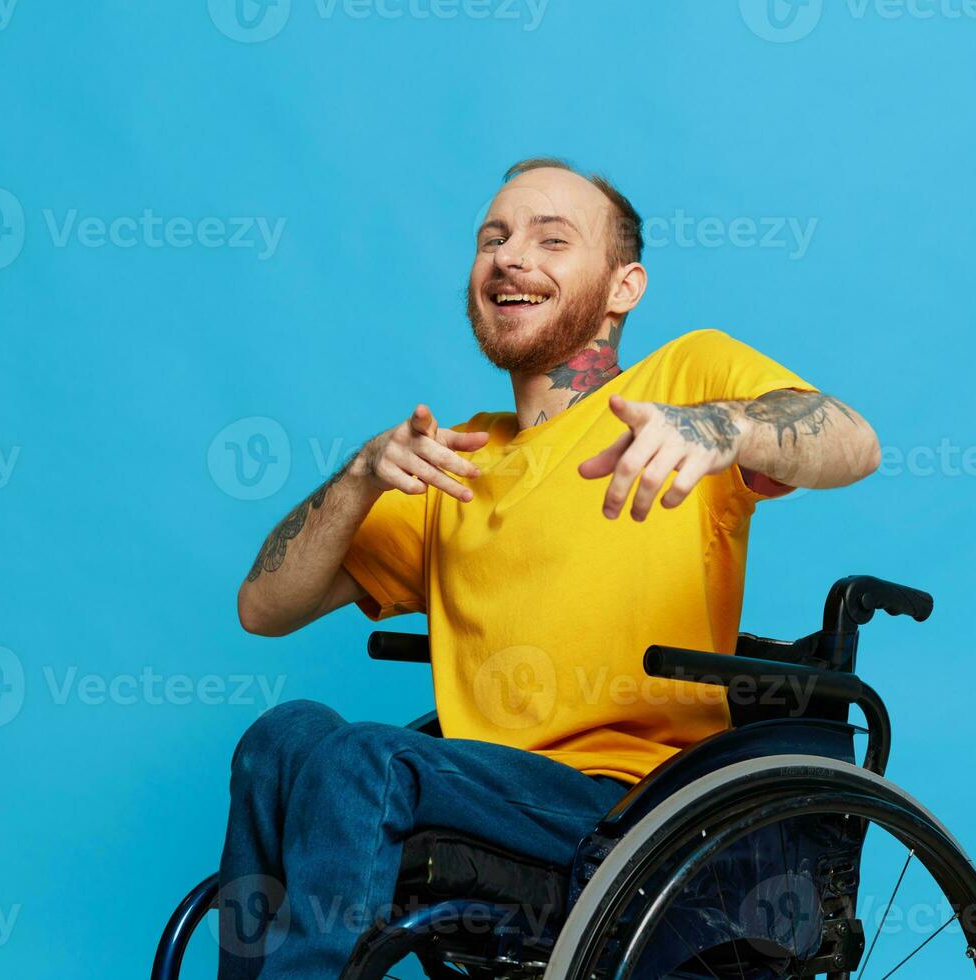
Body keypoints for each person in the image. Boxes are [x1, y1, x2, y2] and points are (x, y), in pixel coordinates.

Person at [216, 157, 881, 977]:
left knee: (364, 761)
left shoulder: (681, 384)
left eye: (551, 238)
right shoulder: (453, 461)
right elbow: (263, 607)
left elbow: (852, 440)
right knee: (280, 737)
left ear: (622, 286)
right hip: (484, 786)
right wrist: (358, 479)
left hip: (631, 802)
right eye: (492, 238)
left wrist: (723, 429)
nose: (509, 255)